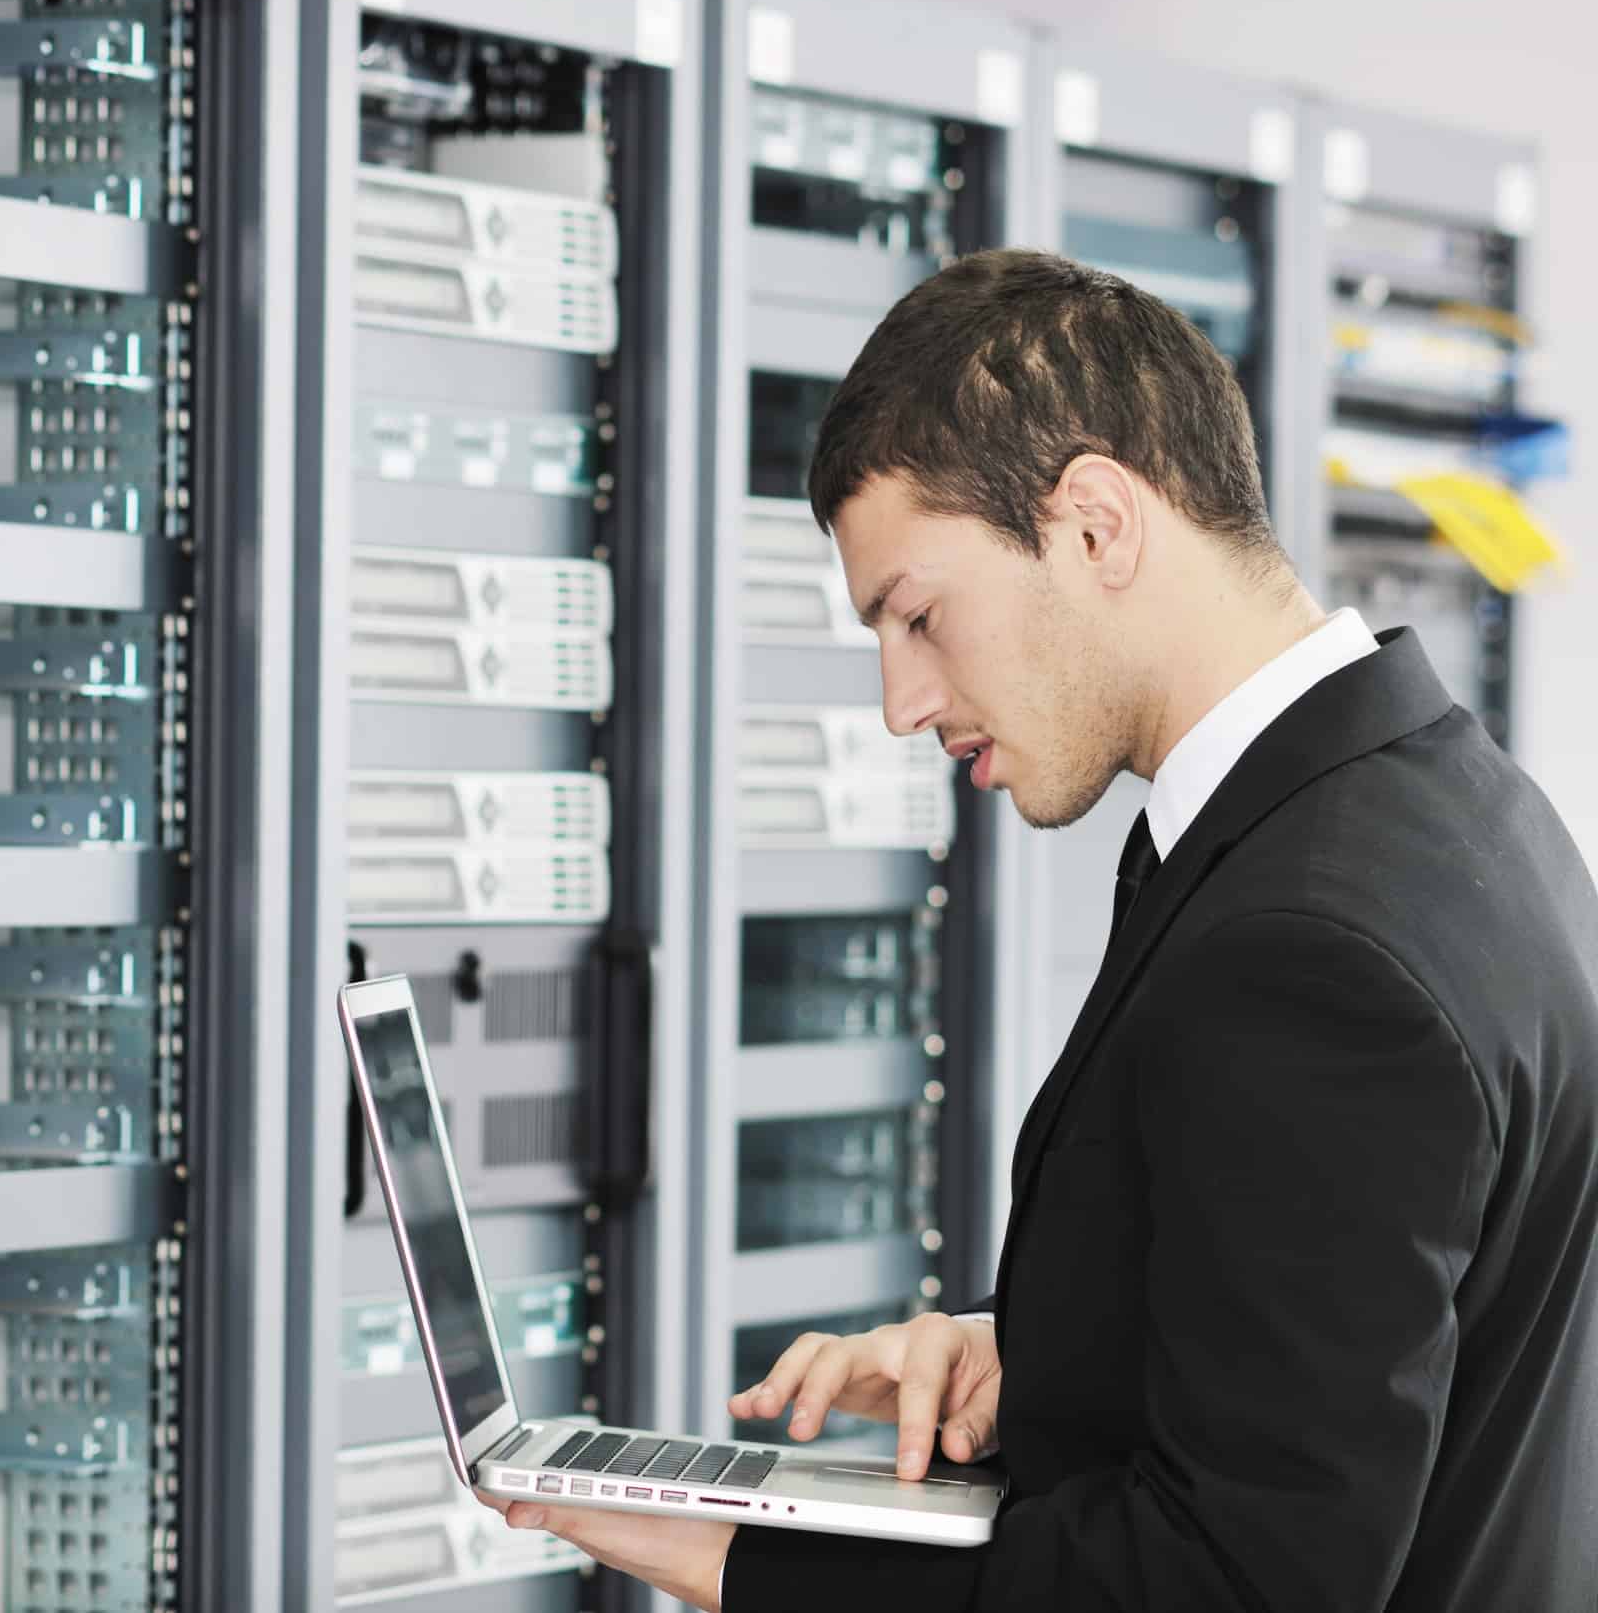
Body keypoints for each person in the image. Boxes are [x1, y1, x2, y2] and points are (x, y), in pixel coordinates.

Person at [485, 249, 1598, 1610]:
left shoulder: (1310, 949)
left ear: (1094, 523)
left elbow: (1236, 1587)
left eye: (919, 615)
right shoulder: (1454, 808)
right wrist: (1047, 1354)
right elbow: (1393, 1356)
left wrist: (748, 1563)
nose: (903, 700)